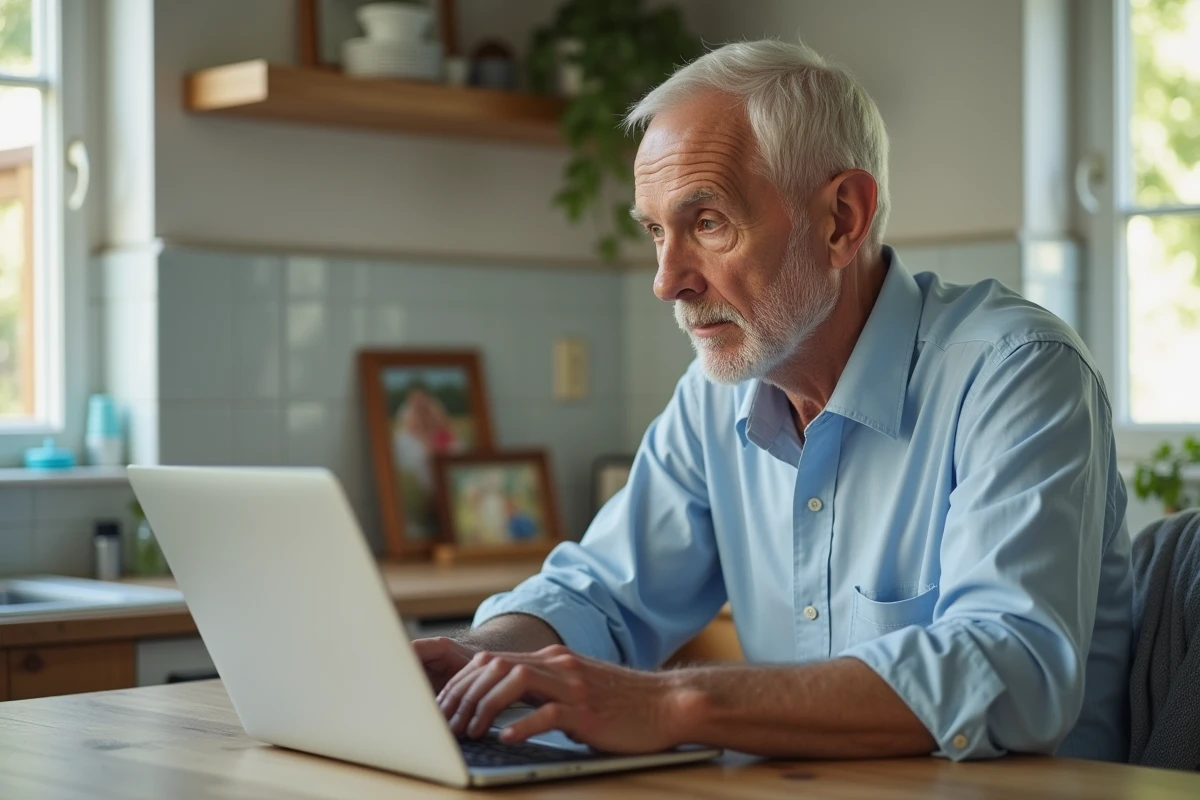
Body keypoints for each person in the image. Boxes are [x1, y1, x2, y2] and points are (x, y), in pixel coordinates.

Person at [415, 40, 1133, 762]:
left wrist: (674, 702)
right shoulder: (712, 398)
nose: (667, 282)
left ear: (842, 220)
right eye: (657, 231)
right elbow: (599, 593)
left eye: (707, 223)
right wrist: (474, 658)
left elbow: (1012, 670)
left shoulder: (1017, 372)